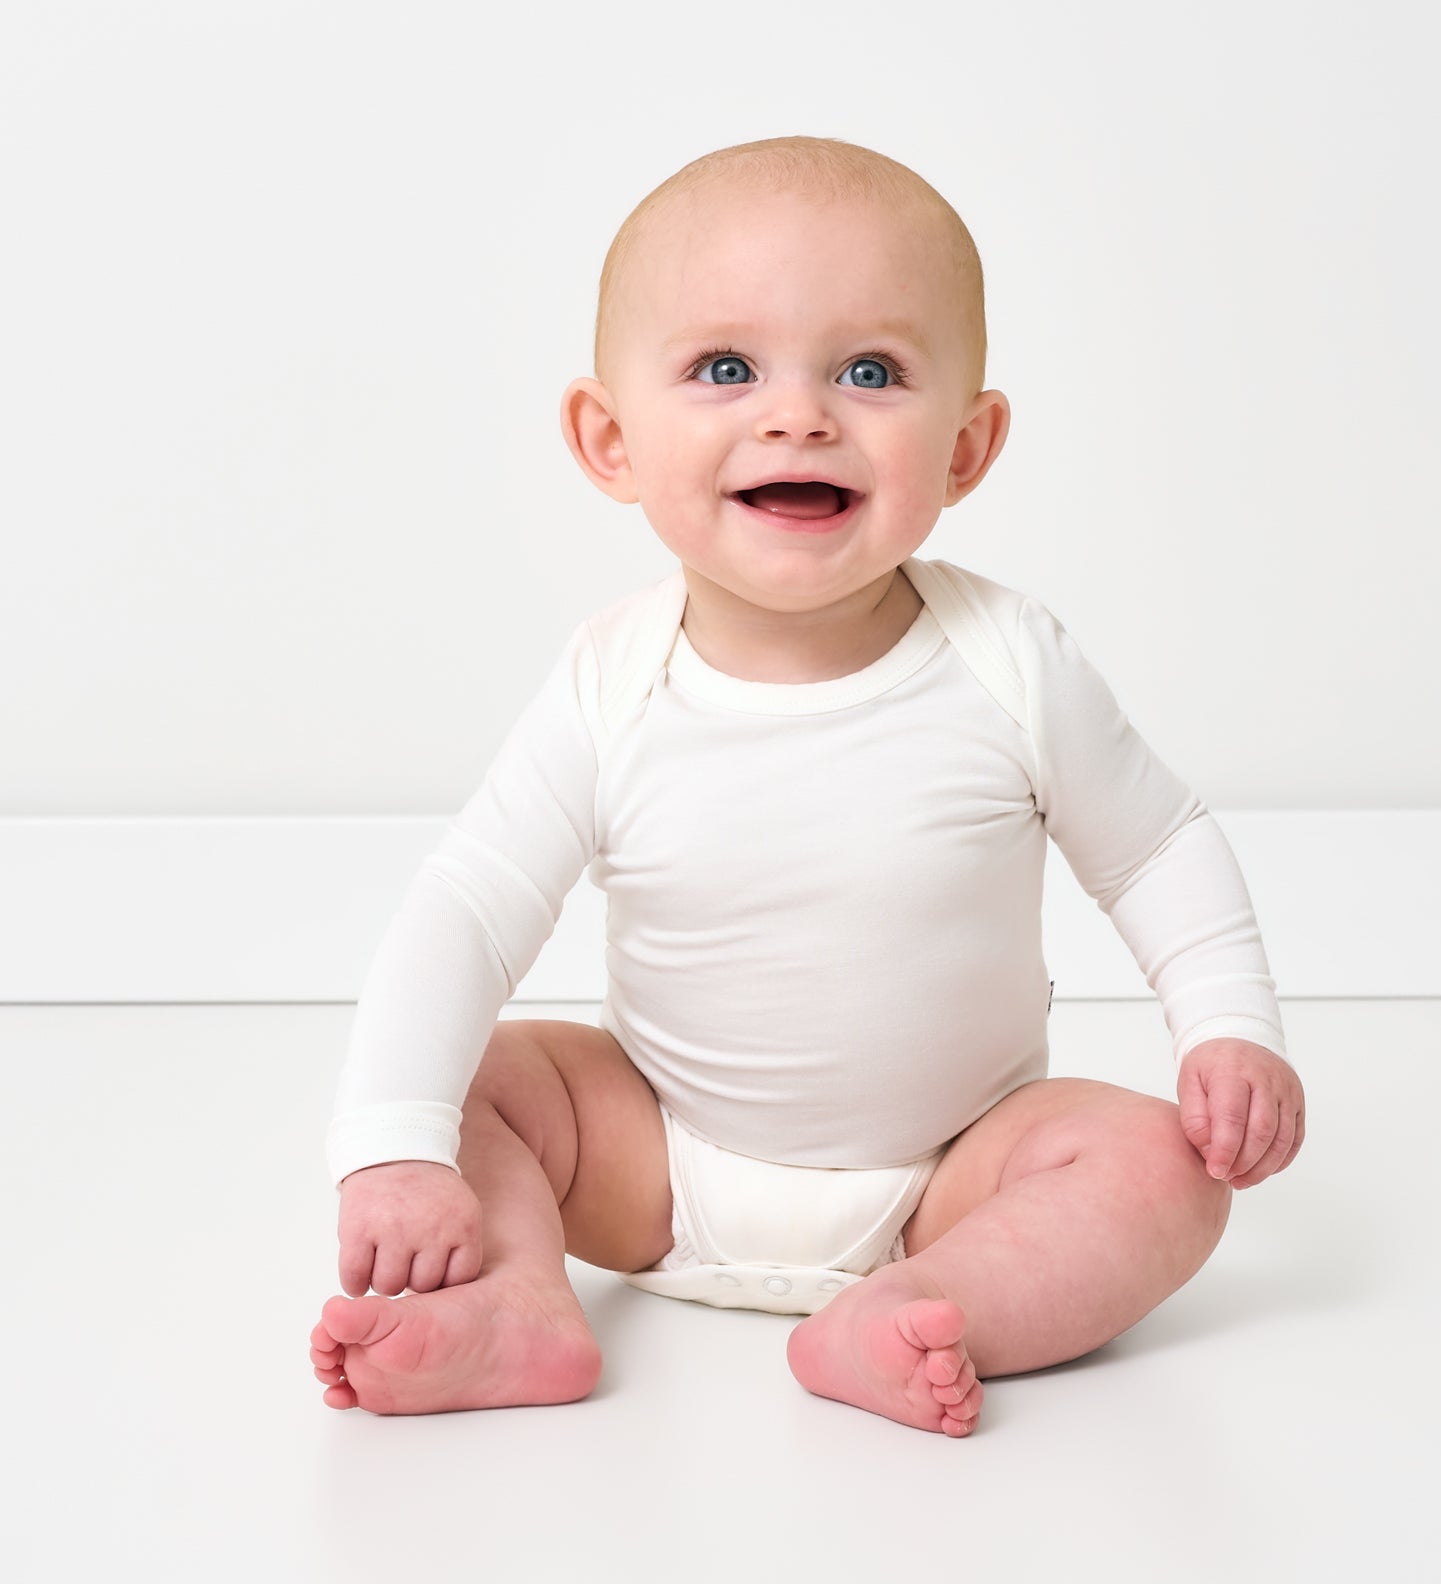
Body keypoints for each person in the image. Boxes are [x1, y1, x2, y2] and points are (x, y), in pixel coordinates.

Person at [308, 136, 1306, 1437]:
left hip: (954, 1173)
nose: (799, 416)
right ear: (610, 439)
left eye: (871, 371)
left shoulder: (1009, 663)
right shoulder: (610, 683)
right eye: (726, 369)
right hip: (652, 1161)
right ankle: (518, 1300)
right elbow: (469, 909)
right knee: (488, 1079)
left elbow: (1157, 845)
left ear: (967, 446)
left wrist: (1229, 1024)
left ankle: (930, 1306)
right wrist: (391, 1145)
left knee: (1161, 1171)